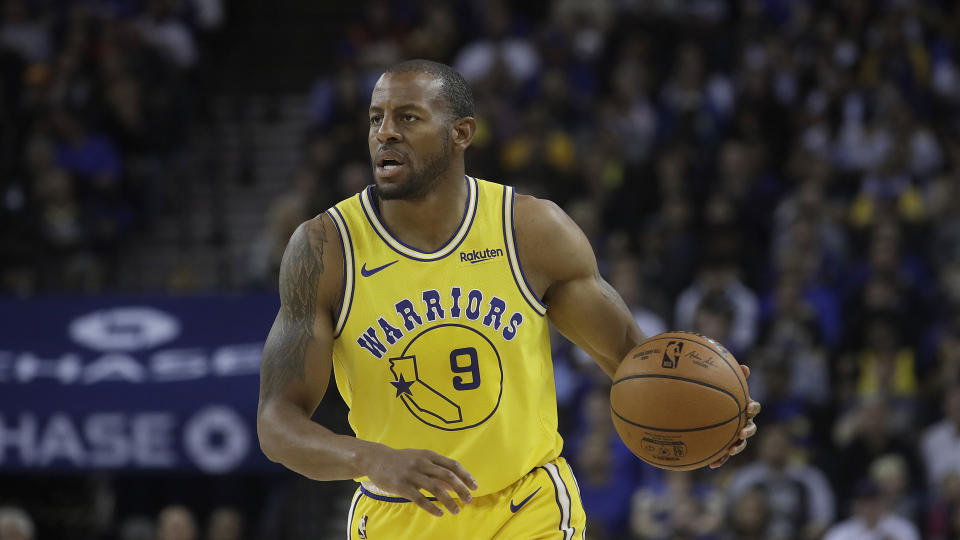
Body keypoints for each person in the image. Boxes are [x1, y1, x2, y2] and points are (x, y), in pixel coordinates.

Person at [256, 59, 761, 539]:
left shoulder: (529, 230)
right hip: (397, 513)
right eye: (376, 118)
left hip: (526, 506)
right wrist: (371, 458)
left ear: (461, 134)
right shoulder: (326, 249)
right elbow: (277, 422)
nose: (384, 132)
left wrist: (699, 415)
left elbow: (632, 360)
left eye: (408, 117)